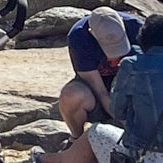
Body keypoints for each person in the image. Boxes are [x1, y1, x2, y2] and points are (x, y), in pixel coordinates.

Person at [40, 13, 163, 163]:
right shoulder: (80, 36)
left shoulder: (131, 64)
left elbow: (118, 111)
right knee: (73, 94)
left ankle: (48, 160)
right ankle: (74, 141)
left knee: (95, 133)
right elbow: (98, 89)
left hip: (145, 154)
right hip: (103, 93)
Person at [58, 7, 148, 140]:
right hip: (99, 87)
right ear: (92, 33)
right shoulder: (79, 37)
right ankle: (77, 140)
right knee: (72, 95)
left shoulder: (138, 27)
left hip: (133, 85)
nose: (114, 59)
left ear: (123, 24)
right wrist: (127, 125)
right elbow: (100, 91)